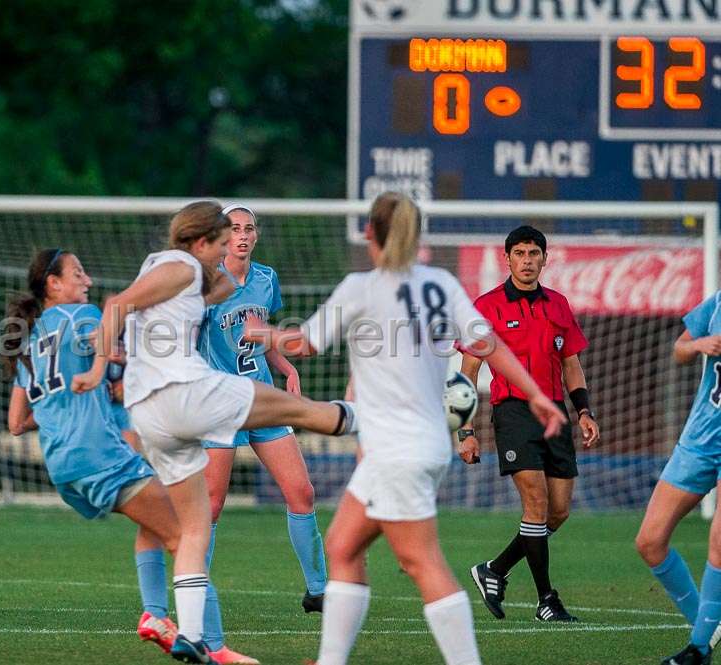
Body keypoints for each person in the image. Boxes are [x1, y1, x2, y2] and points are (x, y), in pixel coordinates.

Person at [241, 192, 567, 665]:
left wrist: (262, 333)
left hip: (397, 448)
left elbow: (303, 344)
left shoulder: (362, 286)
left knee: (422, 562)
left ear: (371, 235)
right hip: (422, 442)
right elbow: (490, 345)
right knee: (342, 545)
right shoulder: (442, 284)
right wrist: (537, 395)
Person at [71, 200, 358, 664]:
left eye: (244, 232)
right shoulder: (183, 266)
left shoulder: (223, 276)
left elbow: (170, 304)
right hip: (200, 397)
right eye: (227, 236)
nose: (236, 242)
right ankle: (370, 417)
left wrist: (275, 354)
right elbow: (117, 305)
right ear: (203, 241)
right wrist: (100, 365)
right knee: (308, 414)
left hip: (157, 411)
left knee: (196, 526)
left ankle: (192, 634)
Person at [3, 248, 256, 661]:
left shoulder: (31, 338)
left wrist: (72, 405)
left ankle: (156, 614)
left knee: (156, 522)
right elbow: (116, 330)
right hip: (99, 454)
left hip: (62, 464)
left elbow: (17, 420)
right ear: (54, 285)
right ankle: (214, 646)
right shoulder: (82, 316)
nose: (87, 281)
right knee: (188, 534)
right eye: (78, 273)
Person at [196, 203, 326, 657]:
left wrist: (284, 364)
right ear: (221, 235)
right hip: (221, 405)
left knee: (302, 492)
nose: (243, 236)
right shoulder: (205, 280)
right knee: (211, 506)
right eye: (235, 229)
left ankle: (319, 590)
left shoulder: (266, 279)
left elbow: (260, 337)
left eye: (250, 228)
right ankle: (194, 593)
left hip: (263, 400)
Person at [458, 225, 600, 623]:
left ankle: (495, 569)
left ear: (544, 259)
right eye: (518, 253)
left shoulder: (557, 305)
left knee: (558, 513)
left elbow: (571, 364)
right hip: (513, 412)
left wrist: (585, 411)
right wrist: (465, 431)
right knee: (535, 505)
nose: (526, 260)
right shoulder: (485, 307)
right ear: (507, 259)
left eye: (533, 253)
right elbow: (466, 374)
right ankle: (546, 600)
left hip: (556, 414)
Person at [635, 292, 721, 665]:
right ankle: (707, 630)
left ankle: (699, 649)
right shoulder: (717, 303)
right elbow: (680, 350)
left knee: (719, 539)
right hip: (699, 440)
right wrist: (699, 343)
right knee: (650, 541)